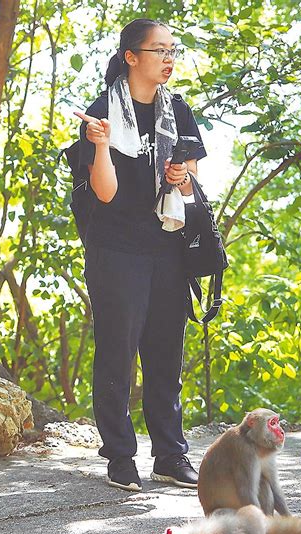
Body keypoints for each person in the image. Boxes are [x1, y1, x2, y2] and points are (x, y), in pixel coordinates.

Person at [74, 18, 207, 492]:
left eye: (174, 50)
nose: (169, 59)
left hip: (167, 248)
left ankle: (170, 456)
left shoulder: (179, 111)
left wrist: (181, 180)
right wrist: (103, 145)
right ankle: (120, 458)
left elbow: (190, 180)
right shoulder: (102, 112)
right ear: (131, 56)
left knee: (165, 356)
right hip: (116, 249)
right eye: (159, 50)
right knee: (117, 356)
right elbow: (103, 193)